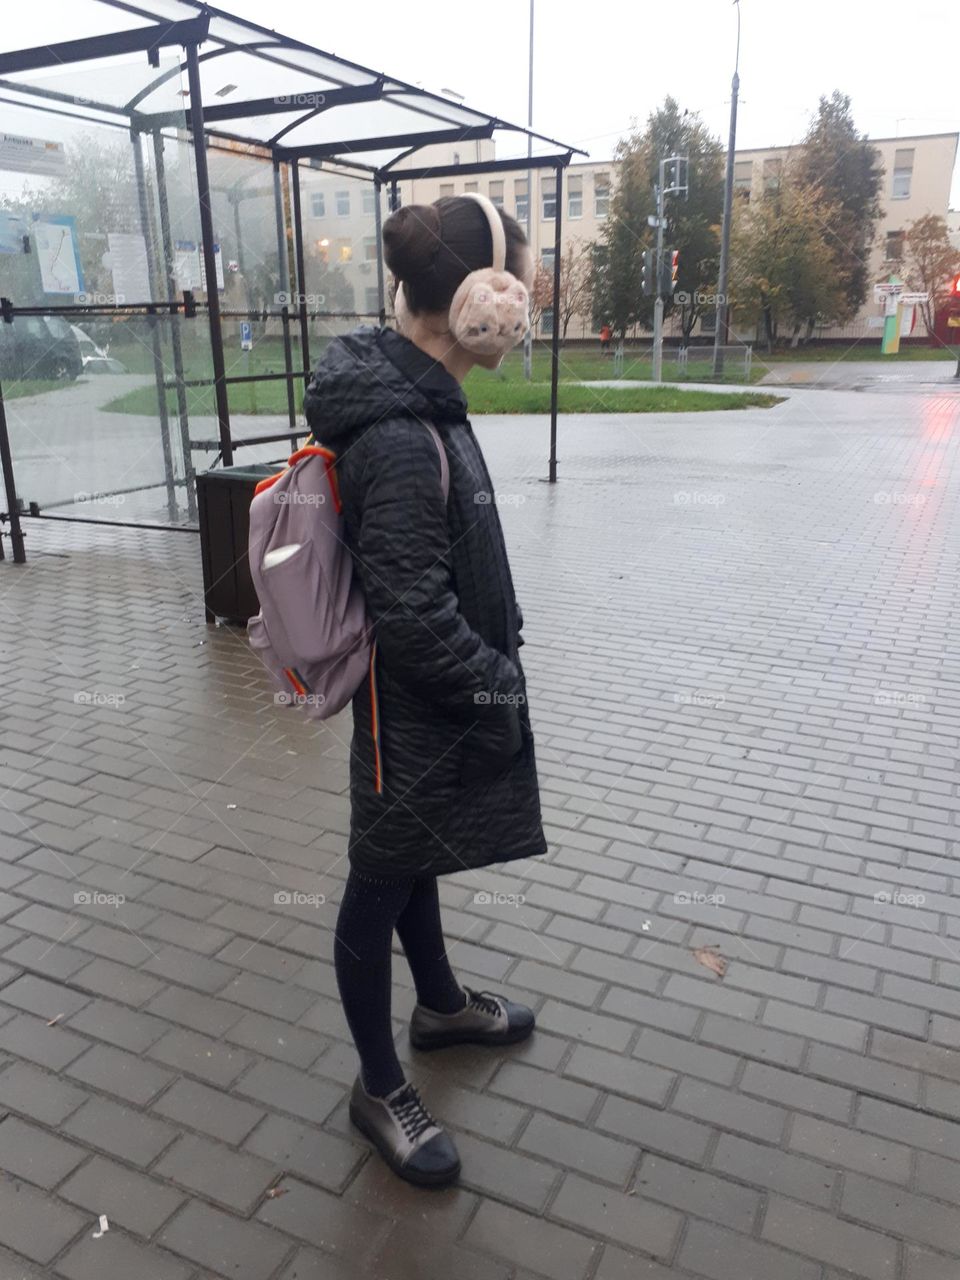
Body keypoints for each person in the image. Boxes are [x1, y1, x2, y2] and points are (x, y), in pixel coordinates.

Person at [303, 194, 546, 1188]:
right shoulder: (404, 434)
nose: (525, 304)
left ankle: (440, 1006)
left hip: (429, 706)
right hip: (408, 710)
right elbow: (411, 612)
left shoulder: (424, 399)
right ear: (483, 302)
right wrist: (496, 687)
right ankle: (377, 1086)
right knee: (380, 879)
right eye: (518, 283)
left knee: (416, 855)